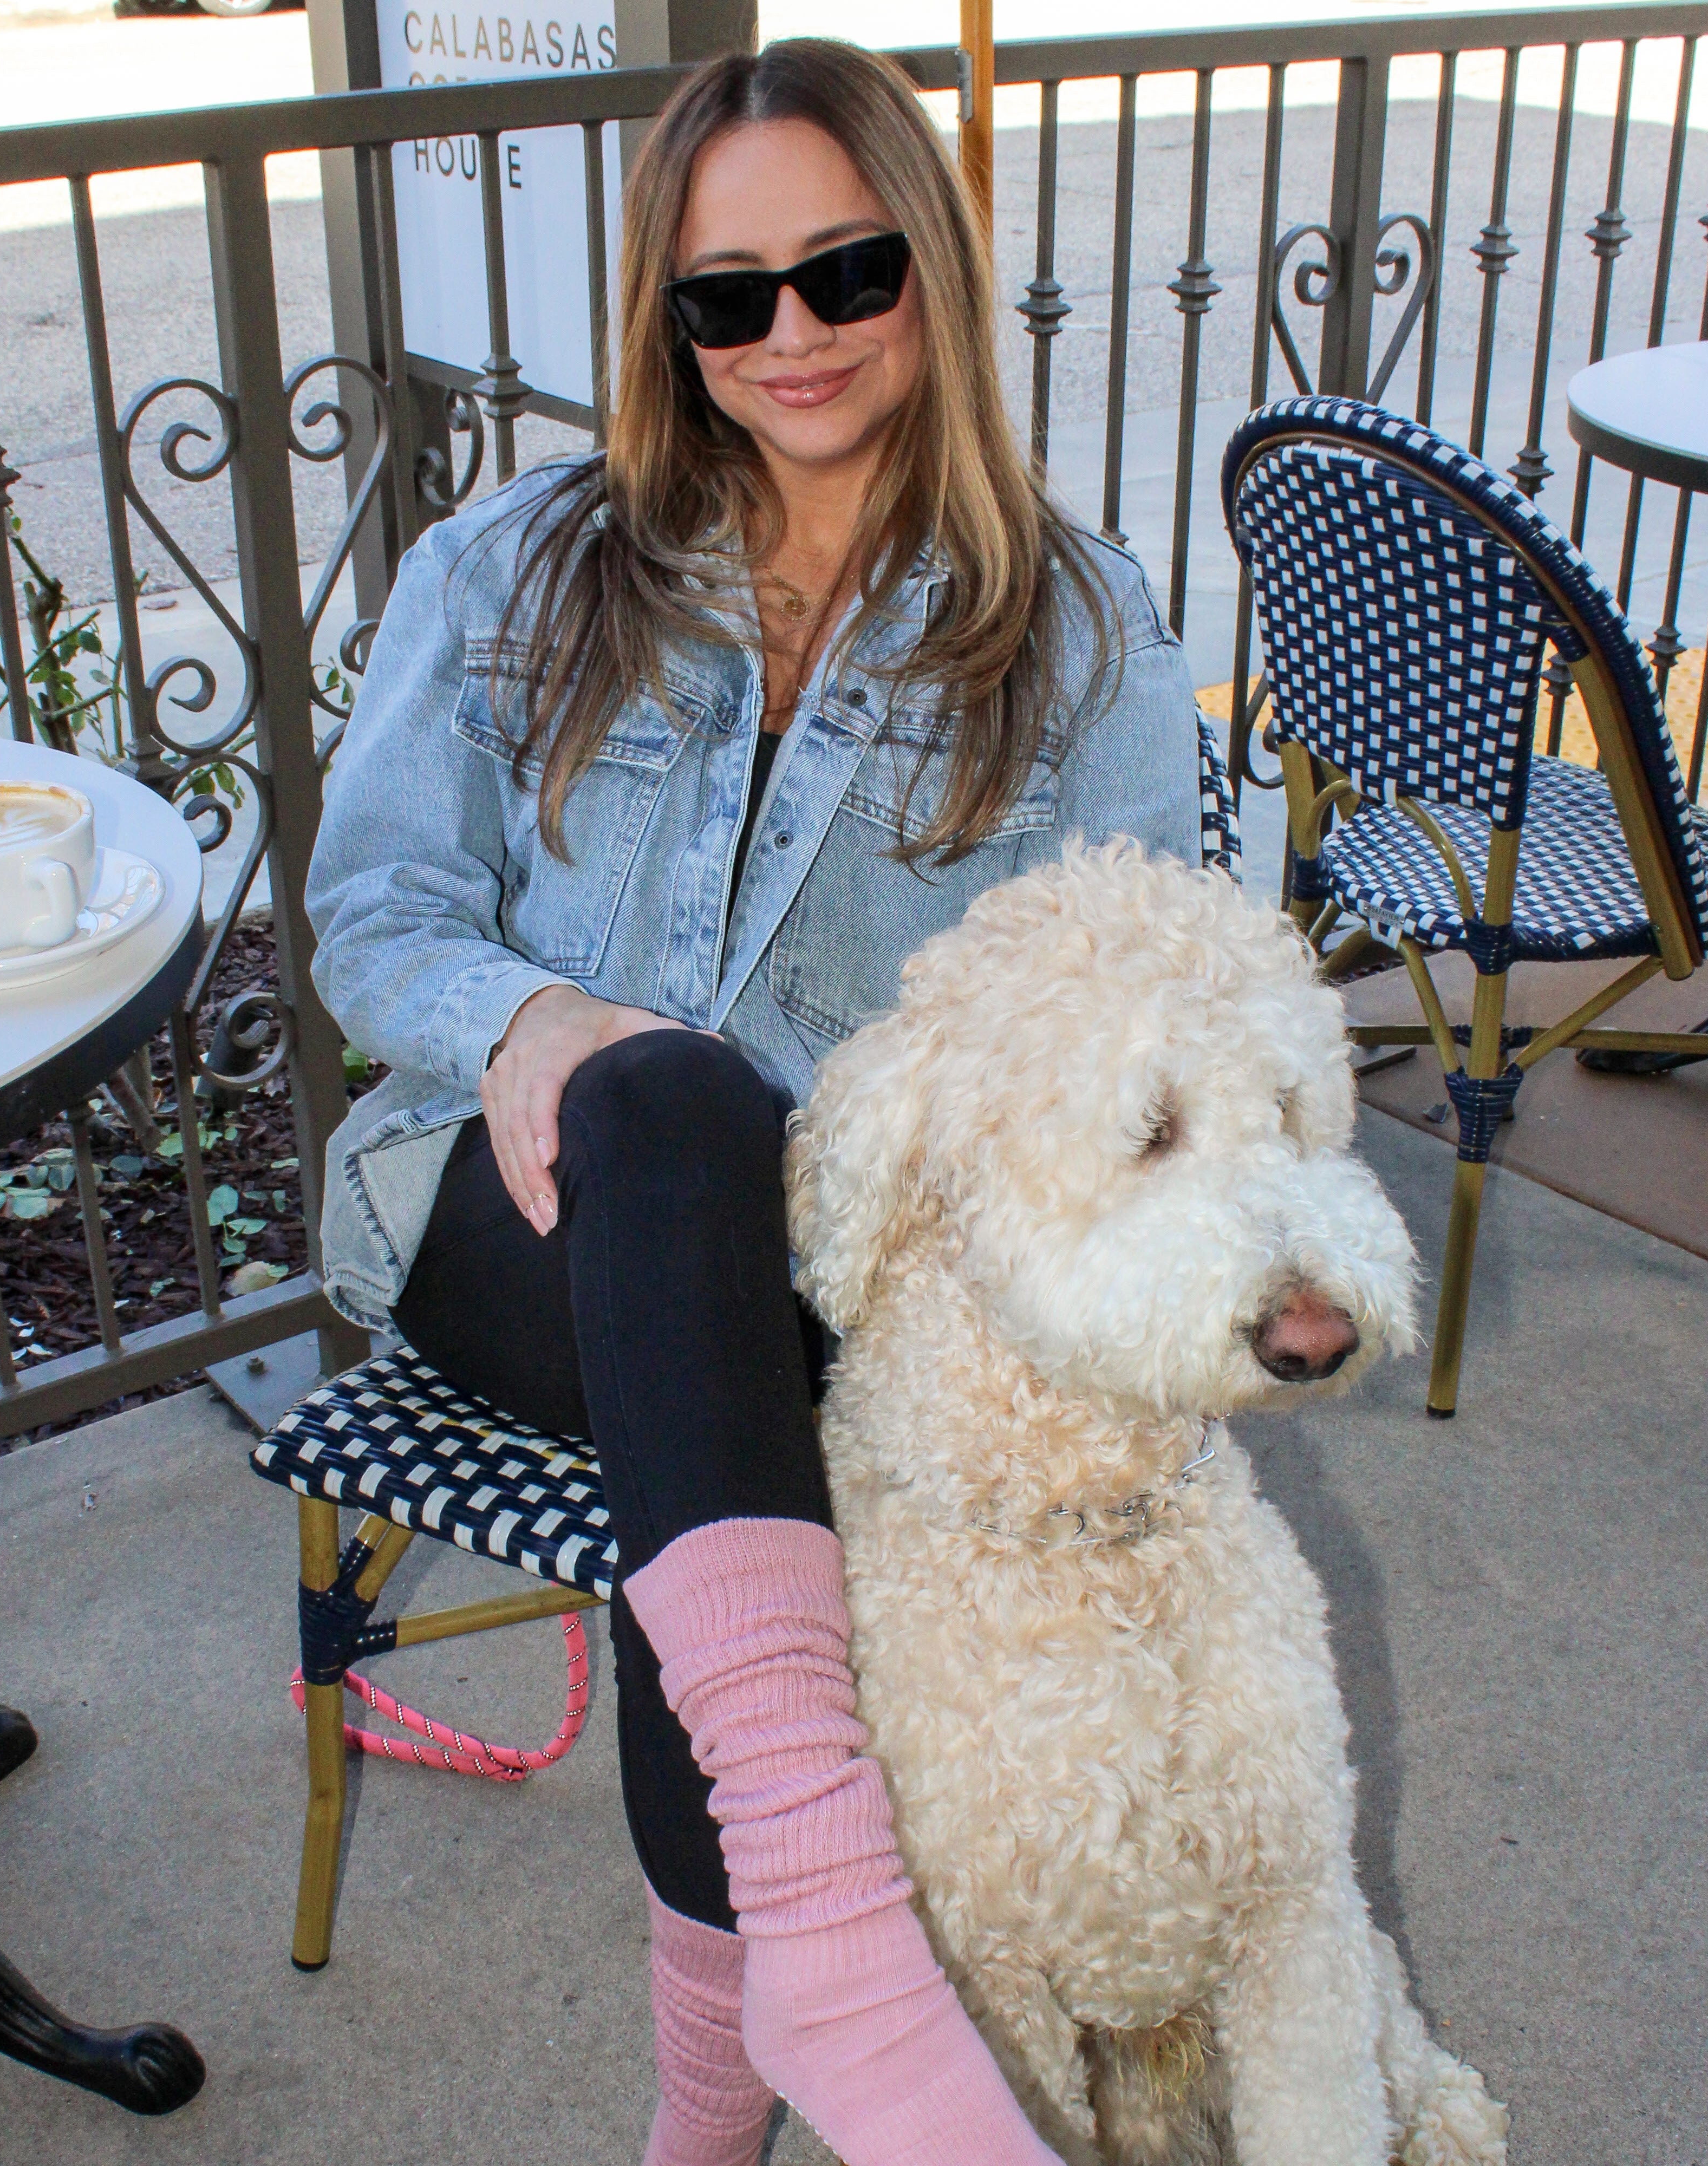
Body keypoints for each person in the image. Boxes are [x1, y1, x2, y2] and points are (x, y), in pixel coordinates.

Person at [307, 37, 1199, 2166]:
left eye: (842, 272)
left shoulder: (1069, 633)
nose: (786, 336)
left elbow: (1142, 1024)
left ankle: (734, 2075)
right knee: (677, 1119)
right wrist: (522, 1014)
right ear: (666, 318)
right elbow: (368, 907)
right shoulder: (518, 563)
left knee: (713, 1417)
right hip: (494, 1212)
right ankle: (835, 1949)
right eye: (727, 297)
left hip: (848, 1283)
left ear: (930, 270)